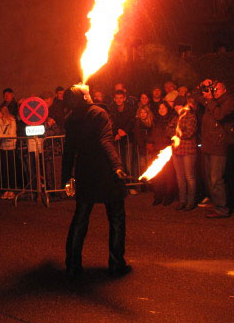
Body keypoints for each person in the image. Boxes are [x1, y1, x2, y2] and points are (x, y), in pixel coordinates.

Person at [62, 85, 131, 279]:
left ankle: (72, 265)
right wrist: (117, 166)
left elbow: (68, 152)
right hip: (105, 172)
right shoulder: (99, 114)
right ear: (84, 97)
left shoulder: (72, 119)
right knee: (116, 218)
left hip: (85, 173)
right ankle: (117, 264)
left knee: (80, 218)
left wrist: (67, 177)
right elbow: (105, 141)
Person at [193, 80, 234, 218]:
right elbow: (195, 95)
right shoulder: (212, 100)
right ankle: (217, 204)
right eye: (213, 89)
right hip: (208, 145)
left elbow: (220, 115)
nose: (215, 91)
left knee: (216, 179)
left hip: (219, 146)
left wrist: (211, 100)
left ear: (224, 89)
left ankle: (222, 209)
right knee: (209, 178)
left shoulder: (230, 101)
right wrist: (201, 85)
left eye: (217, 89)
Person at [148, 102, 177, 206]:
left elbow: (173, 134)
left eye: (163, 107)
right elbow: (152, 133)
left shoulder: (171, 120)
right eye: (160, 108)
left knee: (168, 175)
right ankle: (158, 196)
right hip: (156, 149)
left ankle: (168, 196)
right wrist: (150, 142)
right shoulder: (156, 120)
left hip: (167, 150)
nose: (161, 109)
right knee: (157, 175)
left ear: (167, 109)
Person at [172, 101, 197, 210]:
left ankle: (191, 202)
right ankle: (182, 201)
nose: (177, 107)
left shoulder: (191, 117)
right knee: (179, 177)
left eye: (179, 104)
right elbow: (168, 130)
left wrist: (178, 134)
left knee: (189, 177)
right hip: (176, 151)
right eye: (176, 105)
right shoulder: (175, 118)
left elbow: (190, 132)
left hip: (188, 150)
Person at [0, 104, 18, 199]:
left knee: (11, 169)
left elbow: (11, 135)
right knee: (3, 169)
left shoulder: (12, 121)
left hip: (10, 147)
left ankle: (12, 190)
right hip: (2, 147)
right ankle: (6, 189)